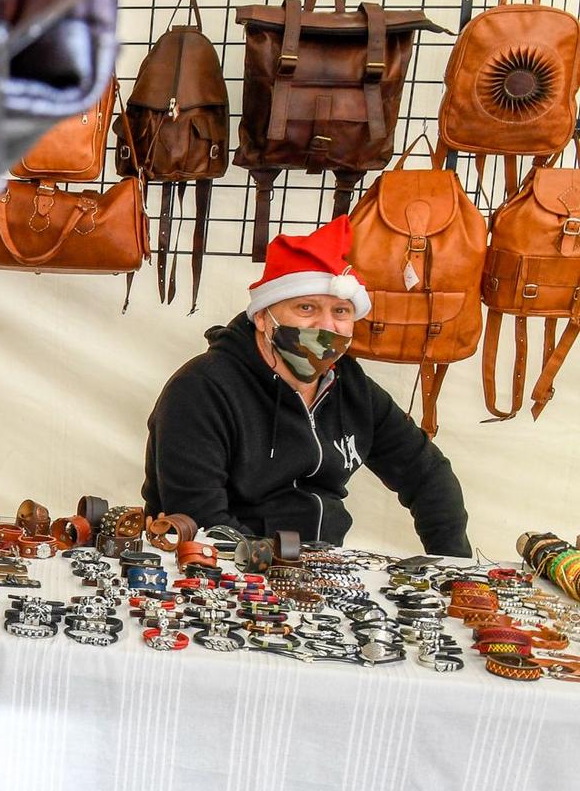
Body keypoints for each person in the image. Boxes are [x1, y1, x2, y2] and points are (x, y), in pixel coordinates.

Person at [142, 216, 472, 556]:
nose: (325, 326)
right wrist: (293, 572)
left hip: (321, 570)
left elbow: (428, 474)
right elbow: (203, 523)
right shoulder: (201, 391)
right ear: (262, 317)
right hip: (220, 575)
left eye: (341, 311)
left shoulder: (352, 388)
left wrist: (453, 568)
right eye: (306, 307)